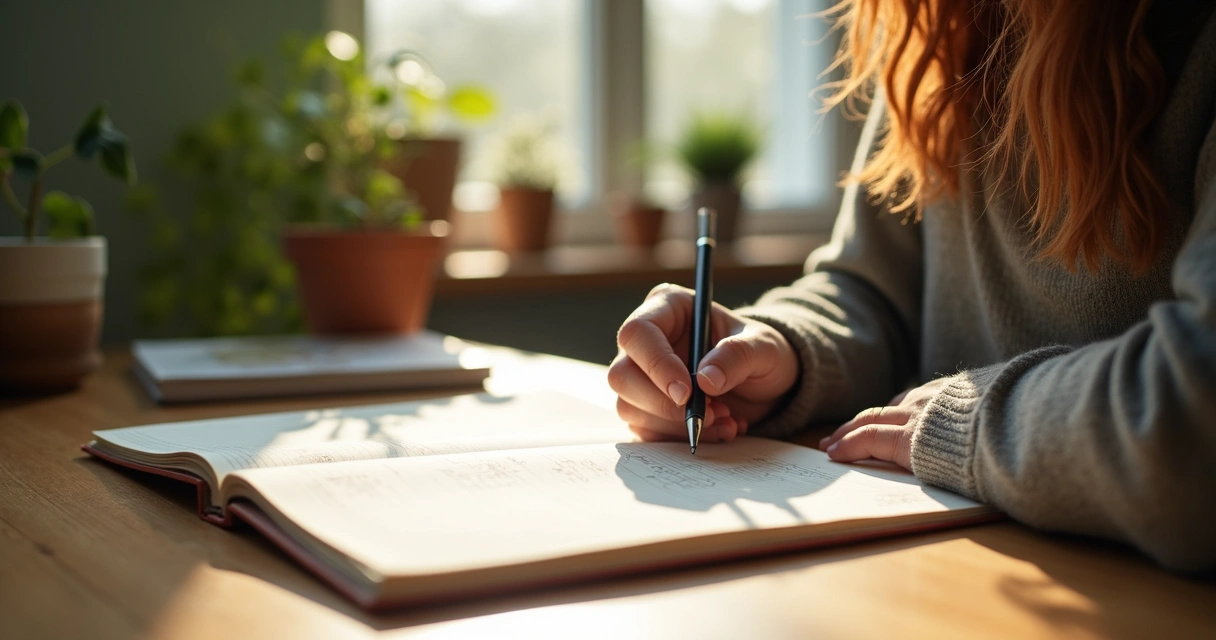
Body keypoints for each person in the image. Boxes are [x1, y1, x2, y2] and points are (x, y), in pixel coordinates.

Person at [608, 0, 1216, 572]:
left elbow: (1196, 412)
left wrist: (976, 422)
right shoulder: (934, 29)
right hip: (935, 566)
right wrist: (781, 348)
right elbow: (872, 287)